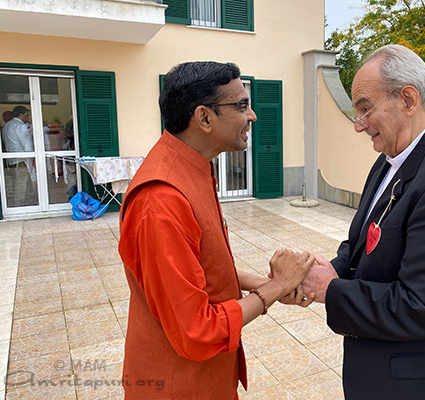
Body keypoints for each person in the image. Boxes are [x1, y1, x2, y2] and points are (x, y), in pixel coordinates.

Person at [301, 44, 425, 399]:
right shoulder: (389, 160)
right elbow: (362, 242)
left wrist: (331, 290)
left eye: (365, 109)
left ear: (408, 100)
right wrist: (320, 271)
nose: (359, 125)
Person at [118, 61, 315, 399]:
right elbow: (197, 332)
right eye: (241, 105)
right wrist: (275, 288)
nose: (252, 116)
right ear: (204, 118)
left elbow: (201, 267)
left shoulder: (191, 169)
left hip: (208, 379)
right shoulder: (161, 199)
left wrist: (267, 284)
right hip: (179, 385)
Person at [2, 106, 37, 206]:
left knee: (18, 182)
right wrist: (33, 156)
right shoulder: (20, 126)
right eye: (26, 115)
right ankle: (20, 204)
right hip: (22, 159)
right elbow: (27, 144)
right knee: (22, 184)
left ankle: (24, 202)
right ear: (21, 115)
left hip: (12, 159)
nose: (28, 117)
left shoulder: (6, 126)